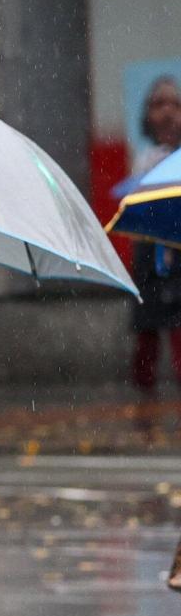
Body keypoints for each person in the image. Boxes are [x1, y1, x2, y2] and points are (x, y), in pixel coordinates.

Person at [129, 76, 181, 394]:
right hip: (150, 252)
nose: (167, 112)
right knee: (146, 330)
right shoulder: (143, 158)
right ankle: (144, 396)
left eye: (174, 104)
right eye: (159, 104)